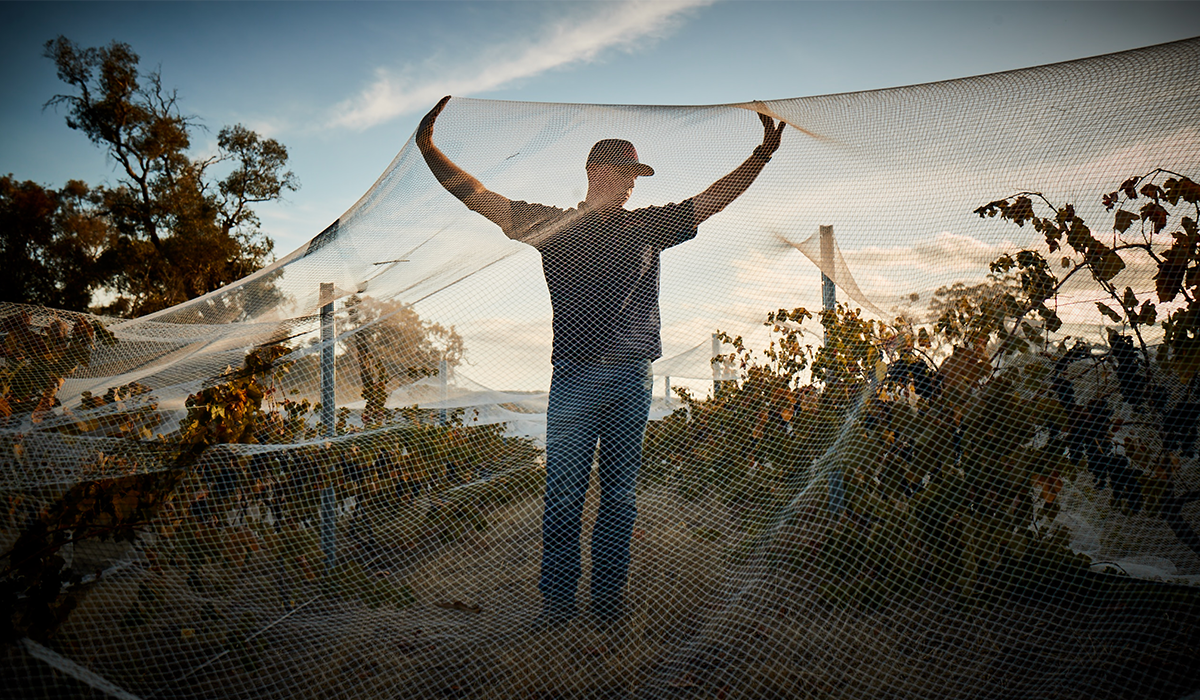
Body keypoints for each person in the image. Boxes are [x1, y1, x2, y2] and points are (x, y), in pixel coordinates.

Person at [417, 96, 786, 629]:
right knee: (564, 496)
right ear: (595, 172)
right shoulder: (552, 225)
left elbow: (711, 201)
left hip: (631, 377)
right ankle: (559, 609)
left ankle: (607, 606)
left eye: (637, 174)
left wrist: (762, 156)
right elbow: (478, 197)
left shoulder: (645, 227)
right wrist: (431, 150)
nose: (634, 182)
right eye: (625, 171)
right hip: (574, 378)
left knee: (619, 498)